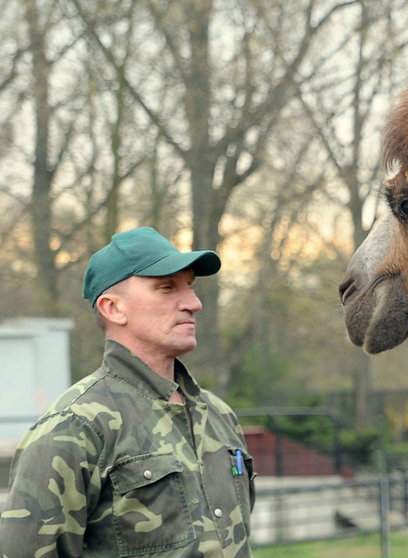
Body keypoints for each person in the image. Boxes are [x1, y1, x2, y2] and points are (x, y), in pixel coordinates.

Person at [0, 227, 255, 557]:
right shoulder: (75, 427)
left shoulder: (219, 415)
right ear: (113, 308)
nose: (194, 303)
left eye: (190, 287)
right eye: (167, 288)